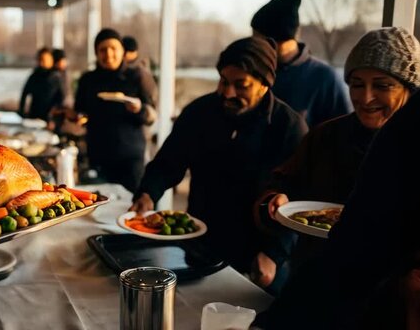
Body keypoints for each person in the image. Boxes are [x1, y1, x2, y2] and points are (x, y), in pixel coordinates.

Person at [251, 26, 420, 293]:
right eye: (356, 84)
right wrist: (277, 200)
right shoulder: (326, 135)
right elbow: (285, 183)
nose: (365, 98)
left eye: (382, 85)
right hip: (318, 283)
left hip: (388, 297)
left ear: (410, 88)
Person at [129, 36, 308, 276]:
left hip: (259, 254)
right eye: (223, 81)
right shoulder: (198, 113)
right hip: (200, 242)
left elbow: (297, 199)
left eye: (241, 85)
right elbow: (168, 162)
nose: (227, 92)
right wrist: (148, 192)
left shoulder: (289, 127)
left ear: (265, 84)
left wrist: (274, 254)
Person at [74, 28, 157, 192]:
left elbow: (152, 116)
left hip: (130, 158)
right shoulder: (88, 79)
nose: (108, 54)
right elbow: (80, 110)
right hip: (97, 156)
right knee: (99, 210)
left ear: (122, 51)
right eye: (102, 50)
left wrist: (139, 109)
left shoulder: (138, 76)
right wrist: (77, 117)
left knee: (131, 210)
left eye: (113, 48)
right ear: (96, 53)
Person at [251, 0, 352, 127]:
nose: (254, 43)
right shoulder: (253, 69)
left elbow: (343, 134)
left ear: (277, 40)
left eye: (258, 37)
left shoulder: (325, 79)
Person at [18, 46, 65, 121]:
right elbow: (24, 94)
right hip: (34, 116)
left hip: (50, 118)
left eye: (44, 60)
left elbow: (61, 99)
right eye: (39, 60)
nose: (41, 63)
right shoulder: (34, 76)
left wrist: (54, 117)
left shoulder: (56, 76)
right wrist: (21, 113)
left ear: (50, 60)